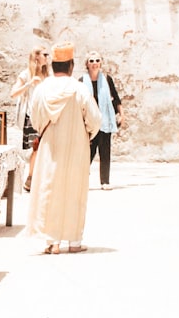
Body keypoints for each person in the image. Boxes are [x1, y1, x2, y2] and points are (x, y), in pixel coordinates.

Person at [25, 43, 101, 254]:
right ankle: (74, 241)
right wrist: (85, 135)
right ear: (71, 65)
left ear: (53, 66)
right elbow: (94, 120)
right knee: (74, 192)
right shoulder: (80, 89)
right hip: (77, 149)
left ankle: (53, 241)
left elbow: (35, 118)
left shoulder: (42, 89)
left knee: (50, 190)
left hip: (50, 148)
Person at [80, 51, 123, 190]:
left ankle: (105, 181)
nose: (94, 63)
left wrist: (122, 114)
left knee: (105, 151)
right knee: (88, 152)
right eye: (91, 61)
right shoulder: (81, 81)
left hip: (105, 120)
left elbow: (115, 98)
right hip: (89, 122)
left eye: (97, 60)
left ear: (101, 63)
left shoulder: (106, 79)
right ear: (87, 64)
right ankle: (80, 180)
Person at [11, 46, 49, 191]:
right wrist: (29, 84)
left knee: (44, 148)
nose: (47, 57)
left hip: (46, 117)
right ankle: (31, 178)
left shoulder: (47, 76)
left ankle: (35, 178)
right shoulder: (26, 74)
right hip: (31, 117)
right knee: (36, 148)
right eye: (45, 54)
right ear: (37, 57)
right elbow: (13, 93)